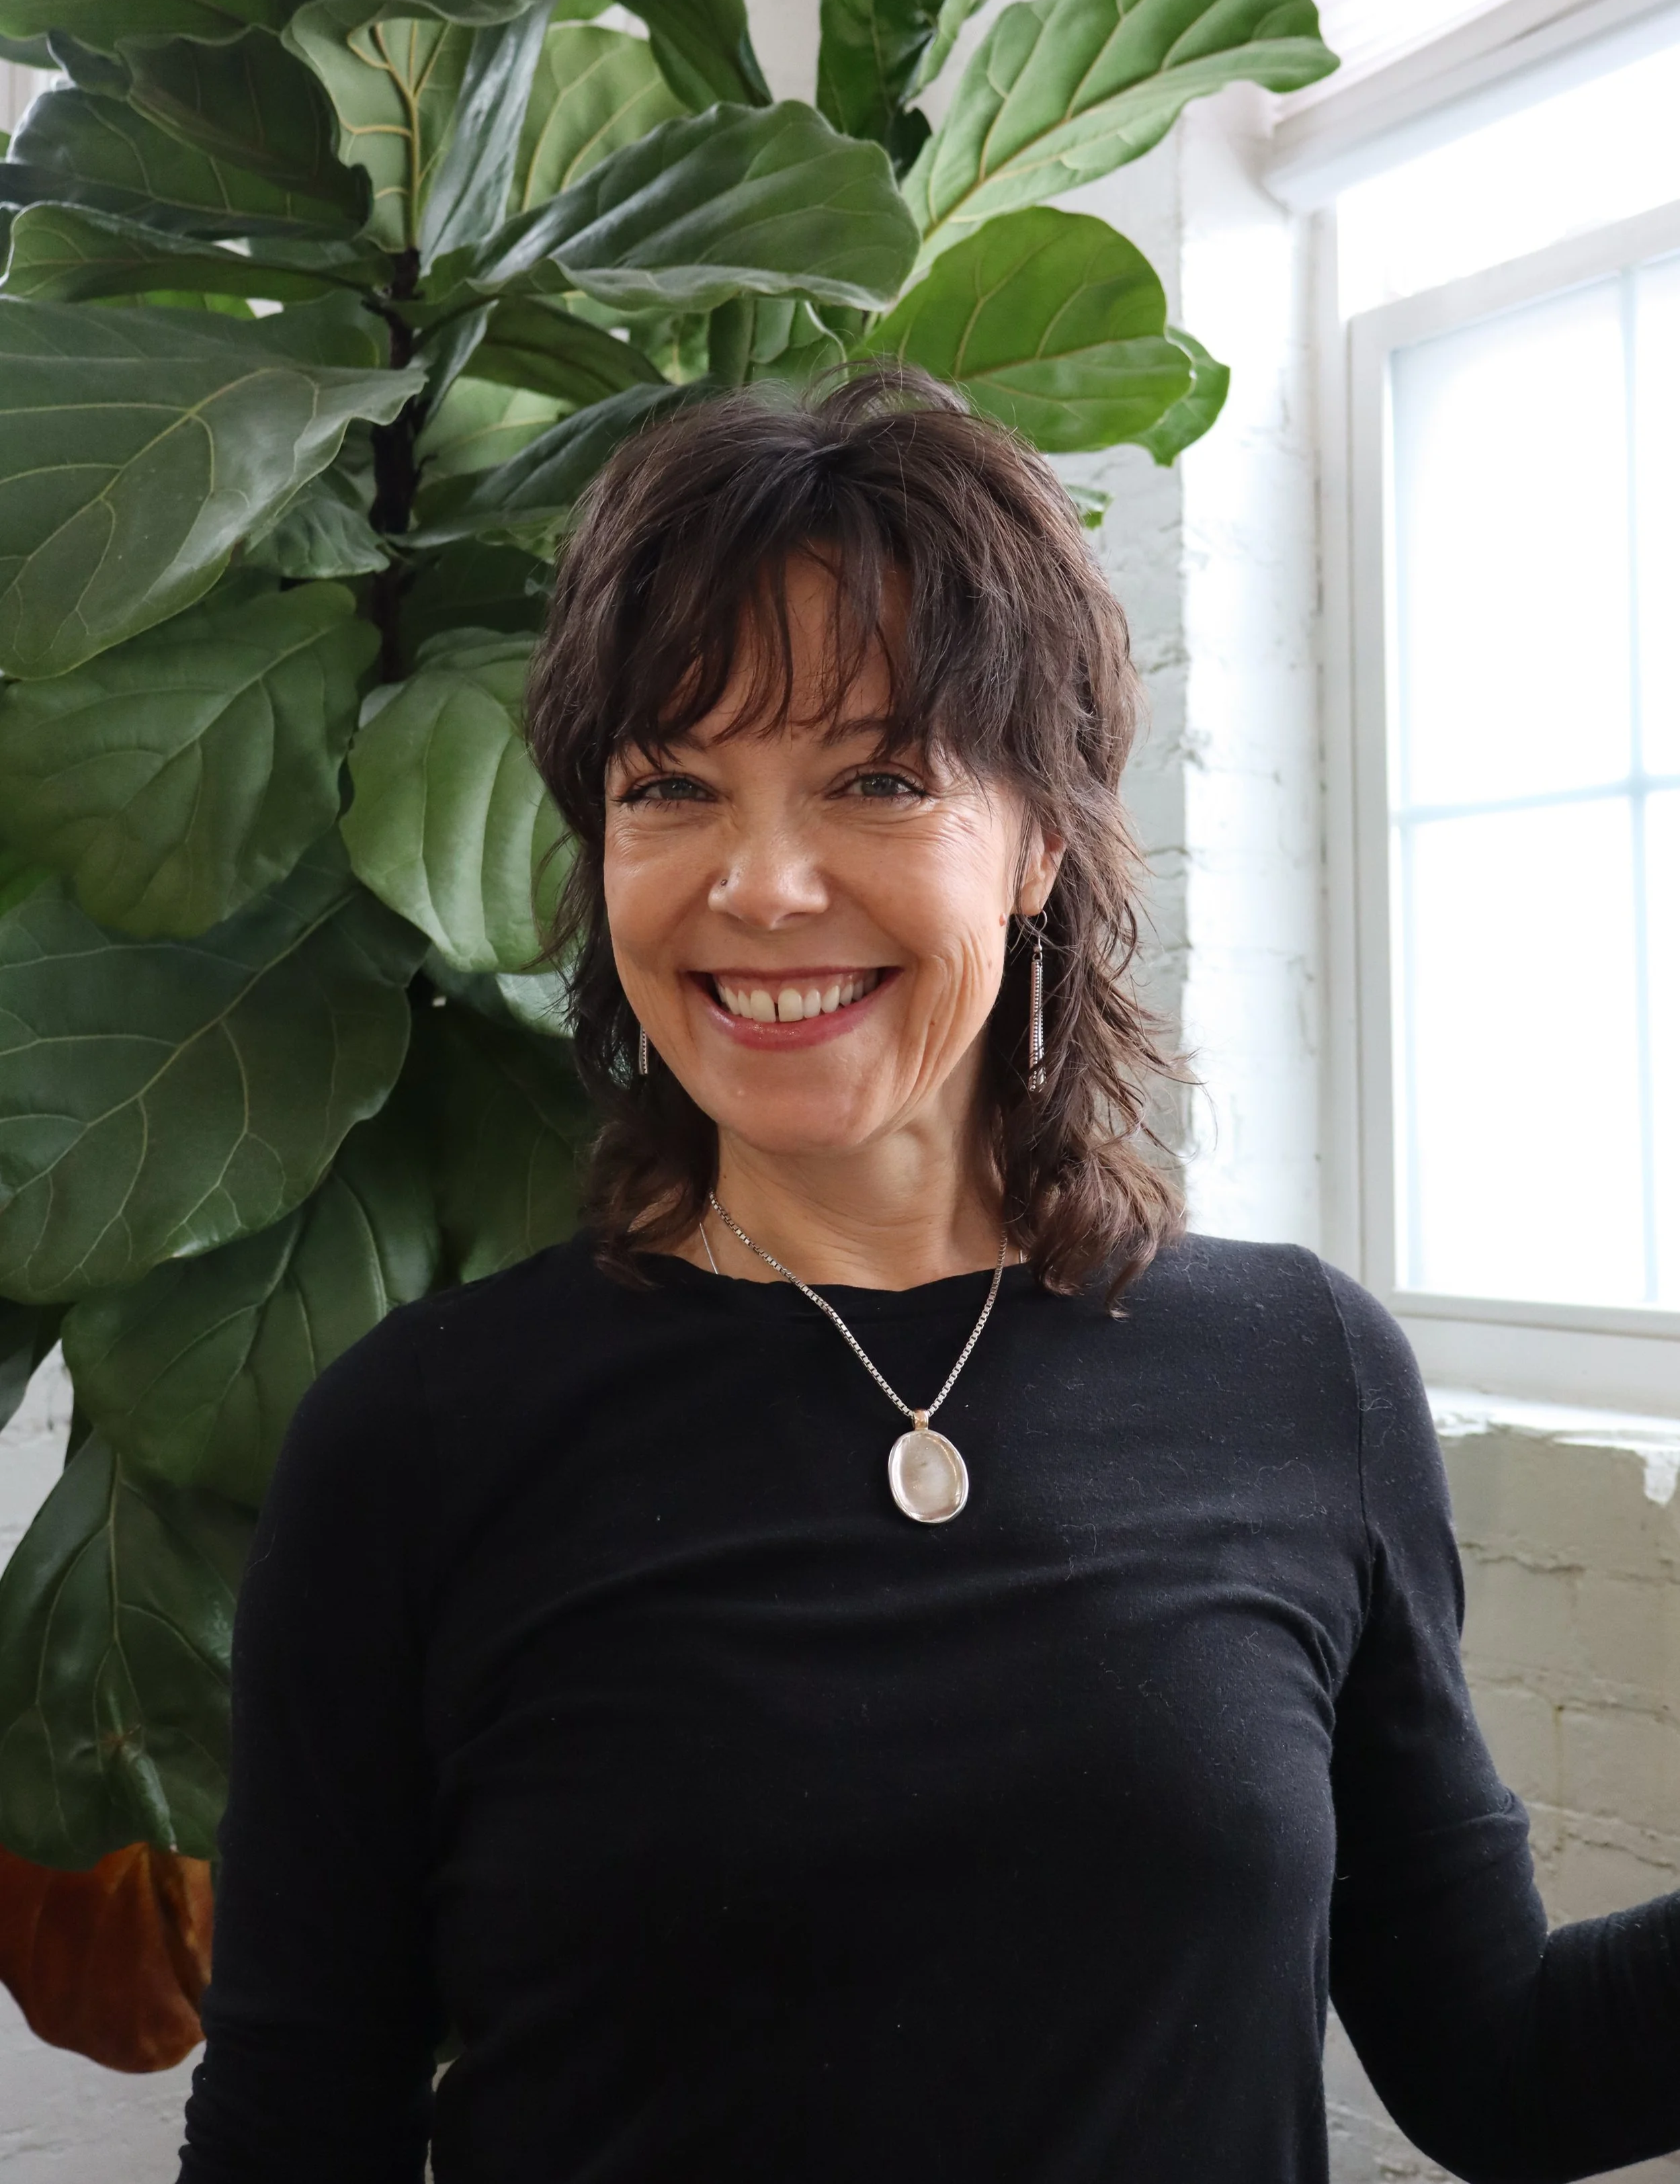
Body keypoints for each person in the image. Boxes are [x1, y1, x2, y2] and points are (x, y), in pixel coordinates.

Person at [177, 372, 1680, 2184]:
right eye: (671, 788)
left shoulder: (1301, 1370)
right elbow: (291, 2133)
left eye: (876, 778)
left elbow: (1504, 2066)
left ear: (1040, 836)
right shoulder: (418, 1440)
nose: (760, 884)